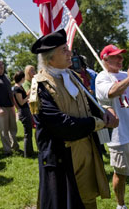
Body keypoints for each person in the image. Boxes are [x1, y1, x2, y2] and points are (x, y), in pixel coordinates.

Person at [30, 29, 119, 209]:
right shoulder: (41, 86)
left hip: (85, 152)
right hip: (63, 159)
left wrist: (105, 111)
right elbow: (62, 125)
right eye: (64, 50)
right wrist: (99, 123)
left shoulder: (73, 77)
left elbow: (89, 102)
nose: (70, 53)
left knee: (88, 200)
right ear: (50, 58)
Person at [95, 44, 129, 209]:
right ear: (105, 59)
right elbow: (111, 92)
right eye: (116, 56)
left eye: (121, 56)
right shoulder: (102, 77)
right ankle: (120, 205)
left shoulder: (125, 74)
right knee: (121, 173)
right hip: (119, 135)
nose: (121, 59)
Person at [0, 60, 21, 155]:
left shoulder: (6, 77)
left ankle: (15, 147)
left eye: (2, 64)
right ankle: (7, 150)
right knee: (4, 130)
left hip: (10, 107)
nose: (2, 66)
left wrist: (15, 106)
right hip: (1, 107)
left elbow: (11, 94)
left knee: (13, 128)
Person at [13, 71, 34, 157]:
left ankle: (30, 151)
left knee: (29, 133)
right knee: (27, 133)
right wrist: (28, 97)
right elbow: (21, 102)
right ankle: (27, 154)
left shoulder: (20, 87)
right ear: (22, 78)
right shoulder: (17, 88)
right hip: (23, 111)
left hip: (26, 110)